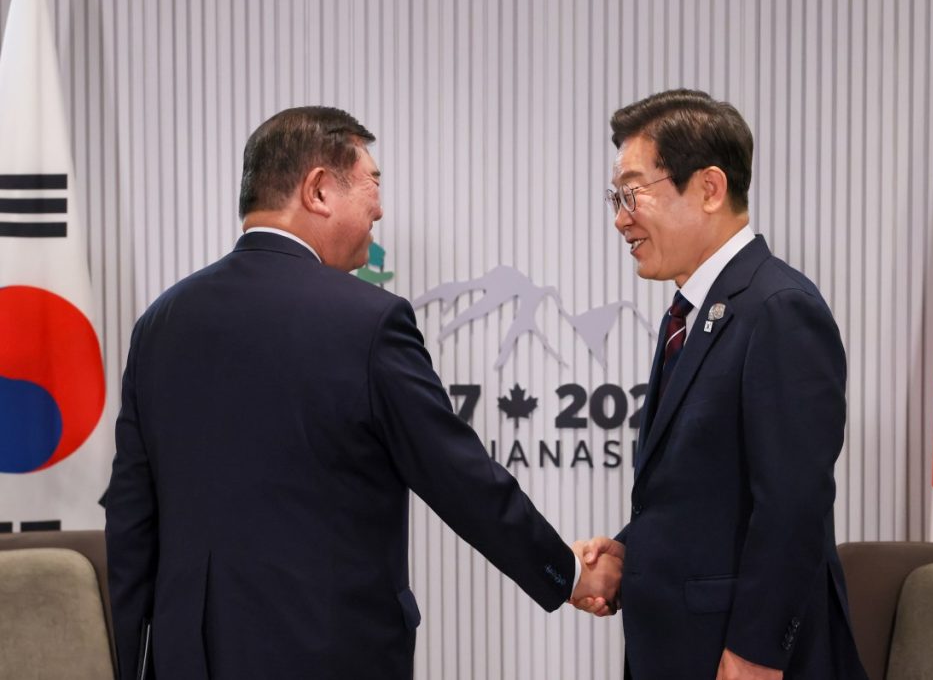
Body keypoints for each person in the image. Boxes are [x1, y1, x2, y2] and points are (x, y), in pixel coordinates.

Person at [104, 106, 621, 680]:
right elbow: (459, 477)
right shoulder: (368, 321)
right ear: (319, 189)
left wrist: (133, 664)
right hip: (326, 653)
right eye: (372, 182)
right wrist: (568, 573)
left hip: (185, 658)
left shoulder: (160, 322)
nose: (379, 208)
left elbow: (130, 518)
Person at [573, 89, 867, 680]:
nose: (620, 218)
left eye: (632, 192)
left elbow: (793, 505)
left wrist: (758, 651)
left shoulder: (779, 308)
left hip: (743, 658)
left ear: (709, 188)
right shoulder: (692, 312)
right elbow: (704, 491)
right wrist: (632, 551)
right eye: (616, 197)